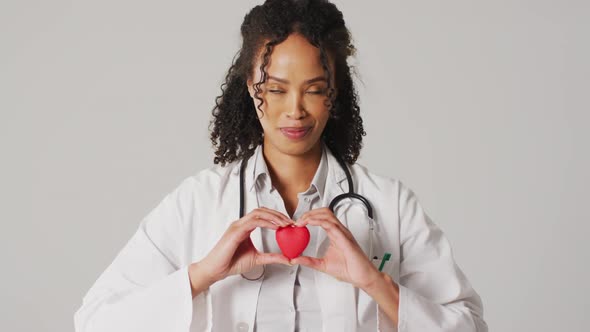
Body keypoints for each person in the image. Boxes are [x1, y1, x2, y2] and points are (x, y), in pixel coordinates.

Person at [74, 0, 488, 331]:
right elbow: (95, 322)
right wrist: (201, 275)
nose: (295, 111)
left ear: (335, 92)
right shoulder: (196, 204)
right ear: (249, 86)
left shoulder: (390, 205)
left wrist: (375, 283)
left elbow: (469, 326)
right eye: (275, 89)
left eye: (314, 90)